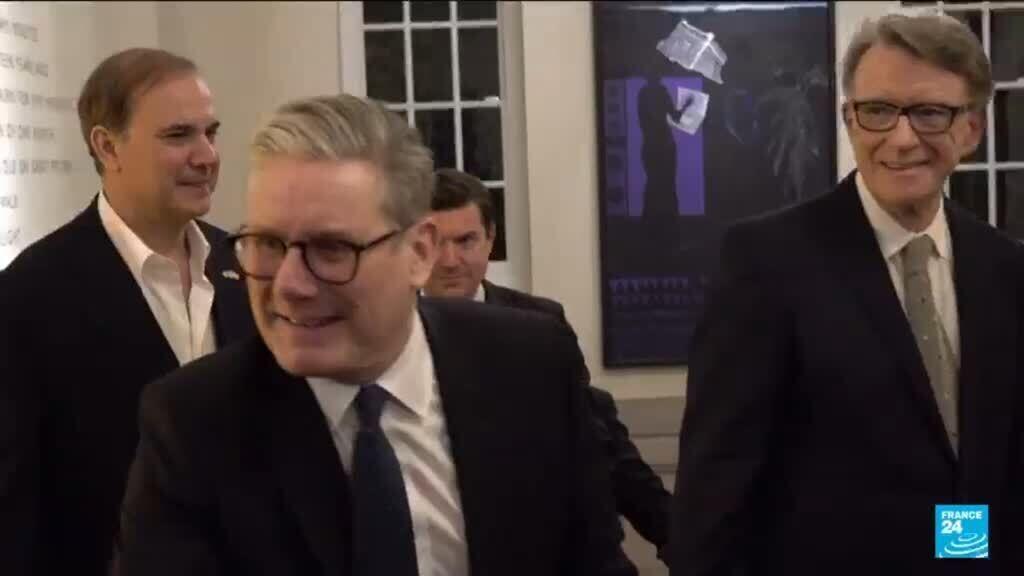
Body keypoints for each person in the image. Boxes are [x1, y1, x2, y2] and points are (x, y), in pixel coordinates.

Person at [116, 94, 636, 576]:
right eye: (268, 244)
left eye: (332, 249)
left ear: (419, 253)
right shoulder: (193, 424)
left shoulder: (531, 366)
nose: (290, 285)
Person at [670, 13, 1024, 575]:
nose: (901, 138)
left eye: (930, 112)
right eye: (878, 110)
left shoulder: (1004, 268)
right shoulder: (766, 263)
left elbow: (987, 470)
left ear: (972, 130)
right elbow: (715, 487)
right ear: (849, 120)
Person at [0, 48, 254, 576]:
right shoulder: (28, 295)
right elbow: (16, 508)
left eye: (211, 133)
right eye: (178, 136)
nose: (207, 156)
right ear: (107, 146)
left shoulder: (248, 267)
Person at [424, 167, 672, 558]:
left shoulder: (539, 325)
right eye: (437, 243)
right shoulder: (389, 333)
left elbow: (598, 440)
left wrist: (677, 535)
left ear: (490, 239)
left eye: (466, 240)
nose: (450, 260)